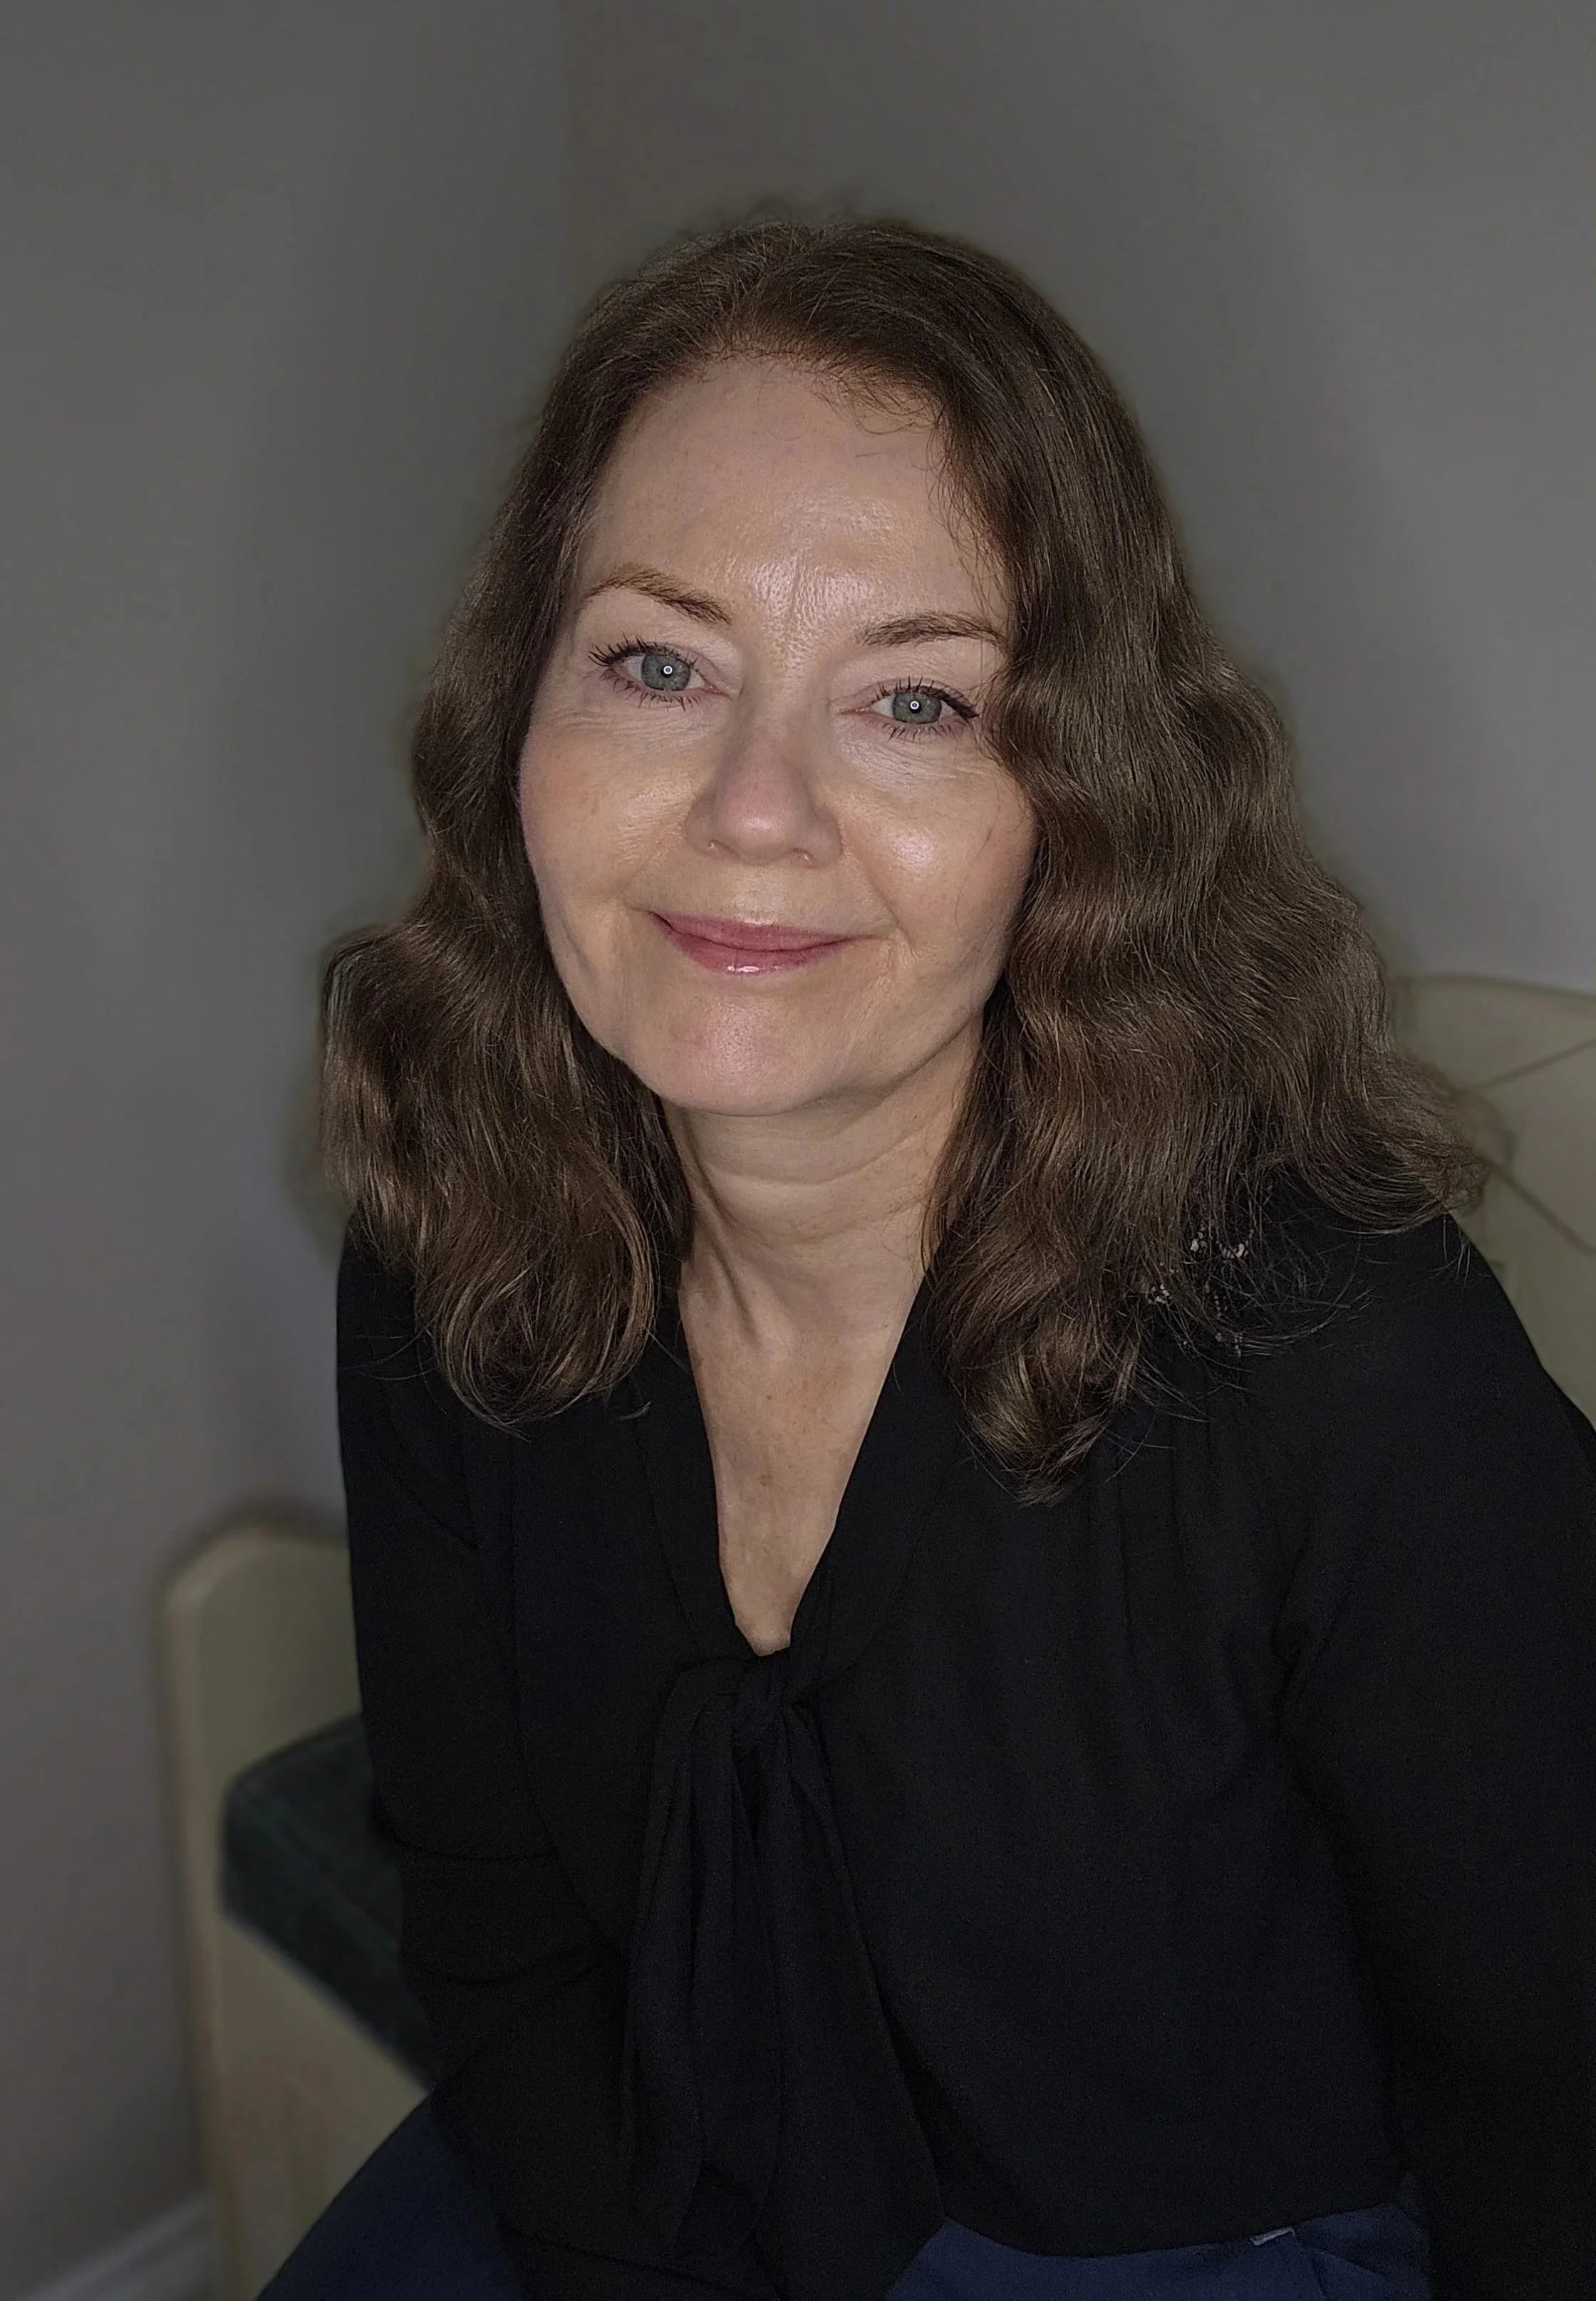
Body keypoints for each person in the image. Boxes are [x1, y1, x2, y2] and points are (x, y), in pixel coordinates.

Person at [266, 216, 1596, 2300]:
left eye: (912, 698)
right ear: (517, 709)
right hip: (636, 2170)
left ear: (1076, 810)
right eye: (659, 660)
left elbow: (1561, 2112)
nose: (755, 806)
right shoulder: (463, 1240)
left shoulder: (1351, 1362)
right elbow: (496, 1911)